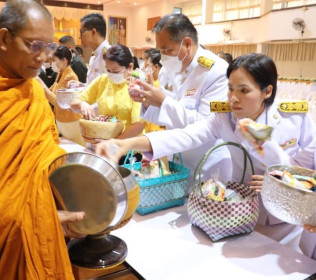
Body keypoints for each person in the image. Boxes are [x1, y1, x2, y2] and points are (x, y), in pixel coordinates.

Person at [96, 54, 316, 247]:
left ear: (267, 91)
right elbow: (186, 135)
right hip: (247, 214)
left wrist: (280, 181)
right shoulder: (225, 116)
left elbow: (309, 165)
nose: (233, 98)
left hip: (292, 223)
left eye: (244, 90)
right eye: (230, 88)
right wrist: (127, 144)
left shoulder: (294, 117)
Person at [0, 0, 84, 279]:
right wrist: (42, 219)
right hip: (7, 240)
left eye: (48, 48)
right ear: (4, 38)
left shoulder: (32, 90)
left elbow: (43, 153)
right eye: (34, 46)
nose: (44, 57)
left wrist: (61, 200)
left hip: (48, 224)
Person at [129, 13, 231, 183]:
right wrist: (148, 101)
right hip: (175, 161)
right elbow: (166, 118)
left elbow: (207, 126)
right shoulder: (166, 70)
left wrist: (162, 101)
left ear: (187, 43)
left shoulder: (217, 71)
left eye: (167, 50)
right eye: (160, 51)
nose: (163, 57)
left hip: (206, 166)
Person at [71, 44, 145, 140]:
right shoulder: (102, 81)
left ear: (130, 67)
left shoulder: (136, 86)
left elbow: (138, 125)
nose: (111, 74)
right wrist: (82, 104)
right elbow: (73, 104)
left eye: (115, 71)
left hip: (129, 147)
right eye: (108, 70)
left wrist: (114, 143)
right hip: (102, 143)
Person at [80, 13, 111, 84]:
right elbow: (92, 85)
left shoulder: (110, 56)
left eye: (82, 32)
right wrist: (81, 85)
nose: (80, 37)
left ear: (93, 32)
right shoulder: (94, 55)